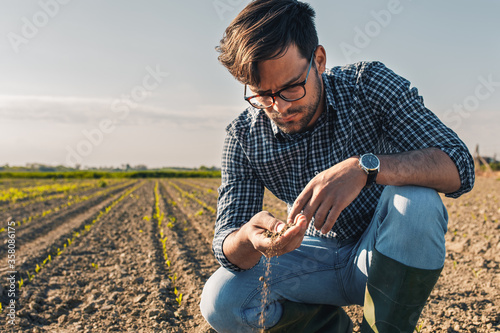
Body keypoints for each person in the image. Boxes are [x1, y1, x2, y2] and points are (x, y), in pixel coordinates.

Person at [200, 0, 475, 332]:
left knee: (418, 202)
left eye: (291, 88)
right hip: (313, 262)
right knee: (222, 300)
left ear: (319, 60)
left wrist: (365, 168)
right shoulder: (243, 136)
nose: (278, 107)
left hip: (385, 252)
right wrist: (250, 237)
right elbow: (226, 246)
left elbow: (459, 164)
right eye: (262, 95)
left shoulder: (368, 85)